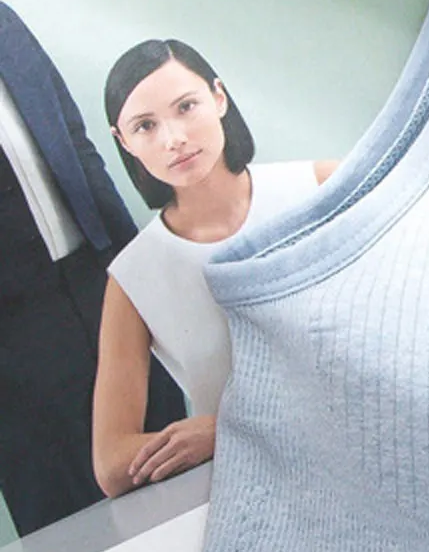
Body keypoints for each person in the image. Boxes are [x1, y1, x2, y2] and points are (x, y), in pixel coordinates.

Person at [93, 38, 336, 497]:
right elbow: (111, 464)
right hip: (263, 496)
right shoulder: (133, 278)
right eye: (145, 126)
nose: (173, 139)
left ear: (218, 97)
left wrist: (228, 428)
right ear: (123, 142)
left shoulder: (320, 188)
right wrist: (221, 434)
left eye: (186, 107)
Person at [0, 3, 185, 535]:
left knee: (164, 450)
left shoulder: (5, 22)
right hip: (13, 326)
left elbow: (74, 140)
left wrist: (133, 265)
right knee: (61, 503)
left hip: (95, 276)